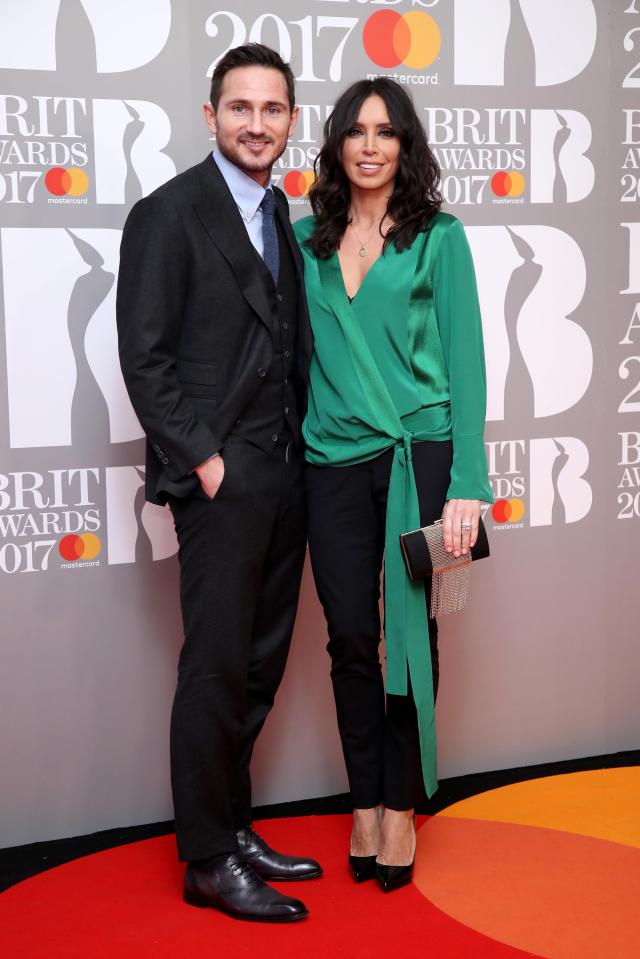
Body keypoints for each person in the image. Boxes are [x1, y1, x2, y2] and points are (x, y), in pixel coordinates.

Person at [117, 43, 321, 923]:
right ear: (210, 116)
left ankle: (234, 826)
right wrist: (208, 463)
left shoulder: (283, 212)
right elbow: (146, 356)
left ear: (289, 121)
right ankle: (205, 858)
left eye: (273, 110)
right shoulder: (167, 214)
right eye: (240, 108)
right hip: (221, 480)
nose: (256, 124)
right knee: (212, 667)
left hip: (288, 473)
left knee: (259, 665)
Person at [293, 78, 493, 893]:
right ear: (338, 144)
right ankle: (364, 798)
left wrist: (469, 482)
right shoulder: (306, 237)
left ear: (407, 146)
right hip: (330, 461)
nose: (371, 145)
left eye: (388, 132)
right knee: (347, 637)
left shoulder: (440, 238)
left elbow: (470, 364)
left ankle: (402, 805)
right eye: (356, 131)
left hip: (425, 458)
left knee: (413, 637)